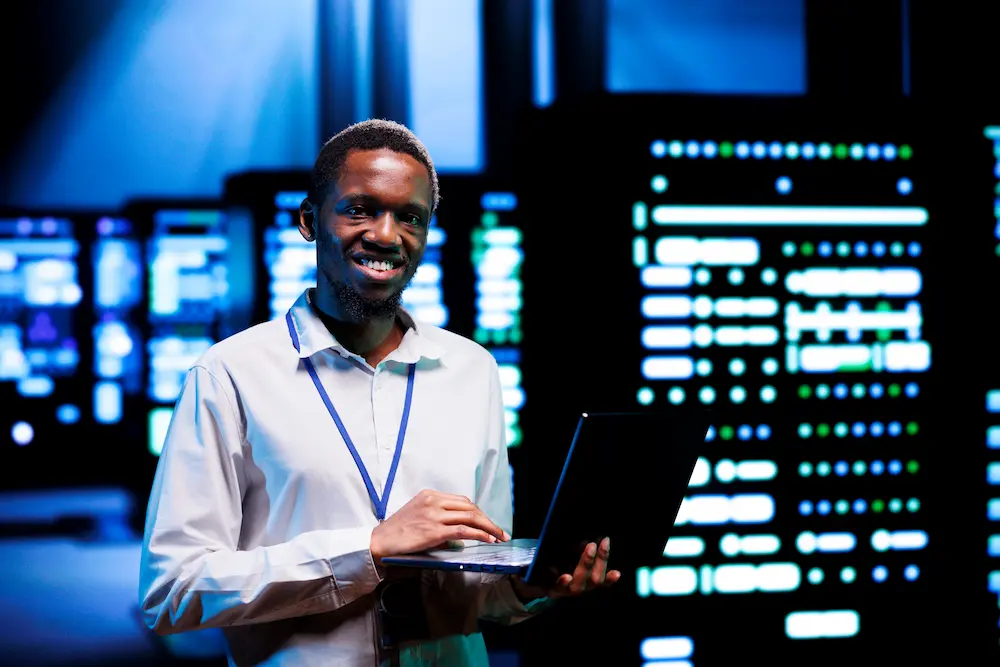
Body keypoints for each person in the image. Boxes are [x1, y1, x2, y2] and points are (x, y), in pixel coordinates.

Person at [138, 119, 620, 666]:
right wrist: (366, 551)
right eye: (360, 209)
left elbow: (481, 585)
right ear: (308, 220)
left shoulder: (472, 370)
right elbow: (171, 592)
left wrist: (535, 586)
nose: (387, 235)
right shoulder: (229, 374)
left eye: (410, 217)